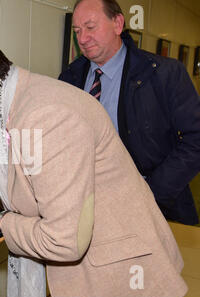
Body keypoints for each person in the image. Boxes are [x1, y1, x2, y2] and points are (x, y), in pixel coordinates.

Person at [0, 32, 187, 297]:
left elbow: (63, 240)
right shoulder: (18, 97)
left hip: (123, 273)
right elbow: (31, 183)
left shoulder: (46, 117)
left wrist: (2, 222)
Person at [59, 0, 200, 225]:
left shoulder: (165, 74)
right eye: (77, 31)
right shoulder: (70, 79)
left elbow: (196, 139)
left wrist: (150, 193)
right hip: (88, 209)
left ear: (118, 24)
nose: (82, 38)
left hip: (154, 209)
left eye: (91, 27)